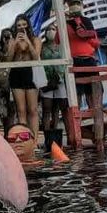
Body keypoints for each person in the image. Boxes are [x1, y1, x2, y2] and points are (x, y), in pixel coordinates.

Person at [5, 13, 42, 144]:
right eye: (19, 25)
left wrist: (27, 41)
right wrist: (15, 43)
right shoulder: (11, 40)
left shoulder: (35, 39)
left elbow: (36, 56)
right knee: (21, 110)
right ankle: (25, 139)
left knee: (32, 109)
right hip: (16, 73)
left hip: (30, 72)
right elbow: (8, 59)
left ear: (28, 26)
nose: (21, 28)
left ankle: (35, 140)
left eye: (24, 25)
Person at [39, 22, 67, 151]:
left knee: (57, 108)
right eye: (49, 29)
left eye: (53, 29)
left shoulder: (60, 47)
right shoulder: (42, 47)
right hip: (47, 80)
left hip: (59, 79)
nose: (51, 31)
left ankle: (55, 137)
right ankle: (46, 138)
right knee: (47, 108)